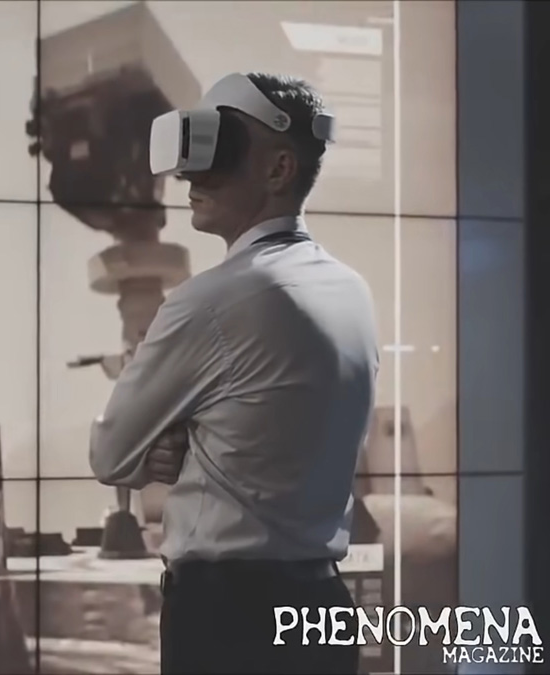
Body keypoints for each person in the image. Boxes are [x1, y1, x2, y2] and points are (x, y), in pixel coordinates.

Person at [89, 72, 379, 674]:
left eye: (218, 150)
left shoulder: (209, 302)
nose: (191, 176)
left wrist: (173, 445)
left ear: (279, 169)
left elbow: (112, 456)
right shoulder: (353, 290)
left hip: (230, 619)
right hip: (323, 607)